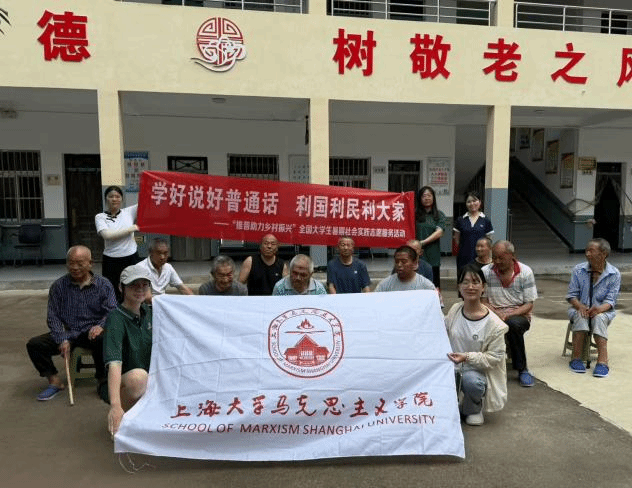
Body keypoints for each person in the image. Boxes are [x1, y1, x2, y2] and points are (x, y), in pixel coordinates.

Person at [26, 245, 117, 401]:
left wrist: (101, 326)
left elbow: (112, 311)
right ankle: (54, 381)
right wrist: (62, 338)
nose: (74, 267)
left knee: (103, 339)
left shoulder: (104, 284)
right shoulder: (59, 286)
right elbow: (53, 316)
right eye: (71, 263)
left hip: (92, 332)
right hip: (69, 332)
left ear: (90, 263)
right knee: (34, 344)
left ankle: (102, 380)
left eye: (80, 263)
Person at [445, 264, 508, 426]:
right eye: (465, 282)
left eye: (475, 282)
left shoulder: (495, 325)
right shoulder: (455, 310)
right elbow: (442, 332)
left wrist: (466, 357)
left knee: (473, 382)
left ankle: (473, 408)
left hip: (476, 371)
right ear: (459, 287)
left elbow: (494, 357)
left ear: (483, 287)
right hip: (451, 367)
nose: (470, 287)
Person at [103, 264, 153, 436]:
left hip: (151, 377)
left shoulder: (150, 311)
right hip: (126, 381)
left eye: (144, 285)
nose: (140, 289)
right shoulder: (116, 319)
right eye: (133, 285)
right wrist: (115, 405)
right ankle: (120, 418)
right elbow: (114, 363)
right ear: (121, 287)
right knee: (138, 378)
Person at [482, 240, 538, 387]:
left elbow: (529, 304)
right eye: (494, 257)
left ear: (512, 256)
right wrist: (497, 313)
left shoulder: (525, 272)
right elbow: (483, 301)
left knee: (512, 325)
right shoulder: (486, 271)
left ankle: (522, 369)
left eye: (501, 258)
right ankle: (481, 366)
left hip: (519, 315)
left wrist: (508, 315)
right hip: (492, 313)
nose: (497, 262)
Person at [566, 238, 621, 377]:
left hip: (603, 311)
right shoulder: (579, 270)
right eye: (586, 250)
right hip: (579, 308)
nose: (587, 254)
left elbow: (611, 301)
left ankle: (603, 361)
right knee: (581, 315)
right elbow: (571, 296)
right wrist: (580, 306)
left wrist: (599, 309)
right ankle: (576, 358)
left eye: (591, 251)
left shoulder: (614, 273)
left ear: (603, 254)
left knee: (599, 318)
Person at [95, 185, 140, 302]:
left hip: (131, 258)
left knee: (133, 288)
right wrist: (131, 229)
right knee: (111, 291)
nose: (114, 199)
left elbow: (145, 203)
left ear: (122, 199)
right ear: (106, 199)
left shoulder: (129, 212)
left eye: (117, 196)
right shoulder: (100, 217)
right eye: (111, 196)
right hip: (111, 260)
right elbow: (108, 236)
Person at [137, 238, 193, 302]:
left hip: (162, 302)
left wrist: (194, 300)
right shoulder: (141, 268)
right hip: (147, 304)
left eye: (165, 253)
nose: (162, 257)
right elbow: (148, 298)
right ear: (151, 253)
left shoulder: (168, 267)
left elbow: (183, 288)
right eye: (159, 253)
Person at [453, 191, 494, 276]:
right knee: (464, 279)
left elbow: (489, 241)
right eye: (469, 201)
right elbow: (456, 239)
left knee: (480, 279)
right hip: (464, 257)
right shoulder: (460, 220)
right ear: (466, 204)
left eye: (474, 200)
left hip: (481, 258)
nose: (472, 203)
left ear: (480, 202)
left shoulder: (486, 220)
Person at [415, 186, 445, 291]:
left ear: (433, 198)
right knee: (417, 285)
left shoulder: (439, 215)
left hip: (433, 256)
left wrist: (422, 243)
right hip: (416, 256)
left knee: (434, 287)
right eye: (424, 196)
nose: (427, 198)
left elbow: (439, 232)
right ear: (420, 198)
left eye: (429, 195)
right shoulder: (414, 214)